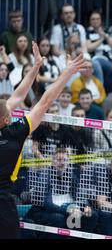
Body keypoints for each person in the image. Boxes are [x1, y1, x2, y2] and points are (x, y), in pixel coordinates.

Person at [0, 42, 86, 239]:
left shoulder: (8, 123)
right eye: (10, 113)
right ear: (7, 119)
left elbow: (17, 95)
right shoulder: (16, 131)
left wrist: (36, 66)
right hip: (3, 203)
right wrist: (68, 72)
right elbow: (46, 101)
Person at [32, 148, 98, 235]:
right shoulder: (45, 177)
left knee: (92, 215)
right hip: (44, 212)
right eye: (59, 160)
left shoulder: (71, 177)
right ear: (52, 161)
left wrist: (86, 207)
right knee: (59, 218)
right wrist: (69, 210)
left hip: (66, 209)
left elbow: (80, 197)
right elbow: (48, 204)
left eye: (65, 160)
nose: (62, 163)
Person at [85, 10, 112, 81]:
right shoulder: (88, 33)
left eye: (97, 19)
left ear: (101, 20)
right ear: (90, 21)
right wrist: (101, 39)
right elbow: (89, 48)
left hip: (110, 59)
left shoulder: (108, 31)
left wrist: (104, 35)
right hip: (96, 58)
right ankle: (100, 89)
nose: (95, 21)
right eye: (93, 19)